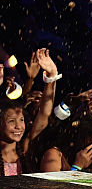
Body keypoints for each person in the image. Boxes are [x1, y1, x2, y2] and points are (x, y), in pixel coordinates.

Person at [1, 48, 59, 176]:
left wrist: (51, 76)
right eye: (11, 121)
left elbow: (44, 114)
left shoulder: (24, 149)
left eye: (21, 120)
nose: (18, 127)